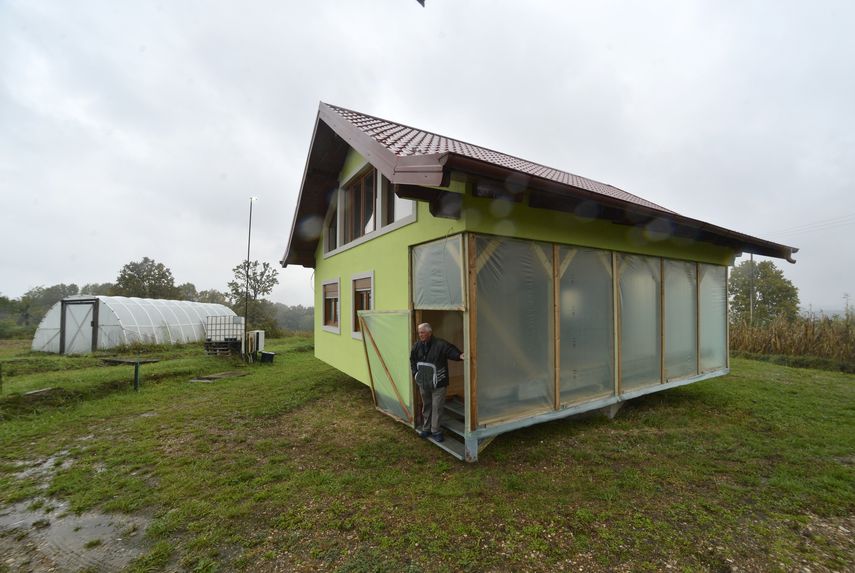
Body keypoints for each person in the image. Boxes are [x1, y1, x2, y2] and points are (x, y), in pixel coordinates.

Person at [409, 322, 464, 442]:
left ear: (429, 332)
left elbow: (451, 350)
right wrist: (415, 374)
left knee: (437, 407)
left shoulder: (440, 344)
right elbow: (412, 360)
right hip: (423, 383)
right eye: (419, 333)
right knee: (427, 405)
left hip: (439, 383)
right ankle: (426, 429)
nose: (420, 335)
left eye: (422, 332)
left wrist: (460, 355)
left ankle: (436, 431)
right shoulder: (417, 345)